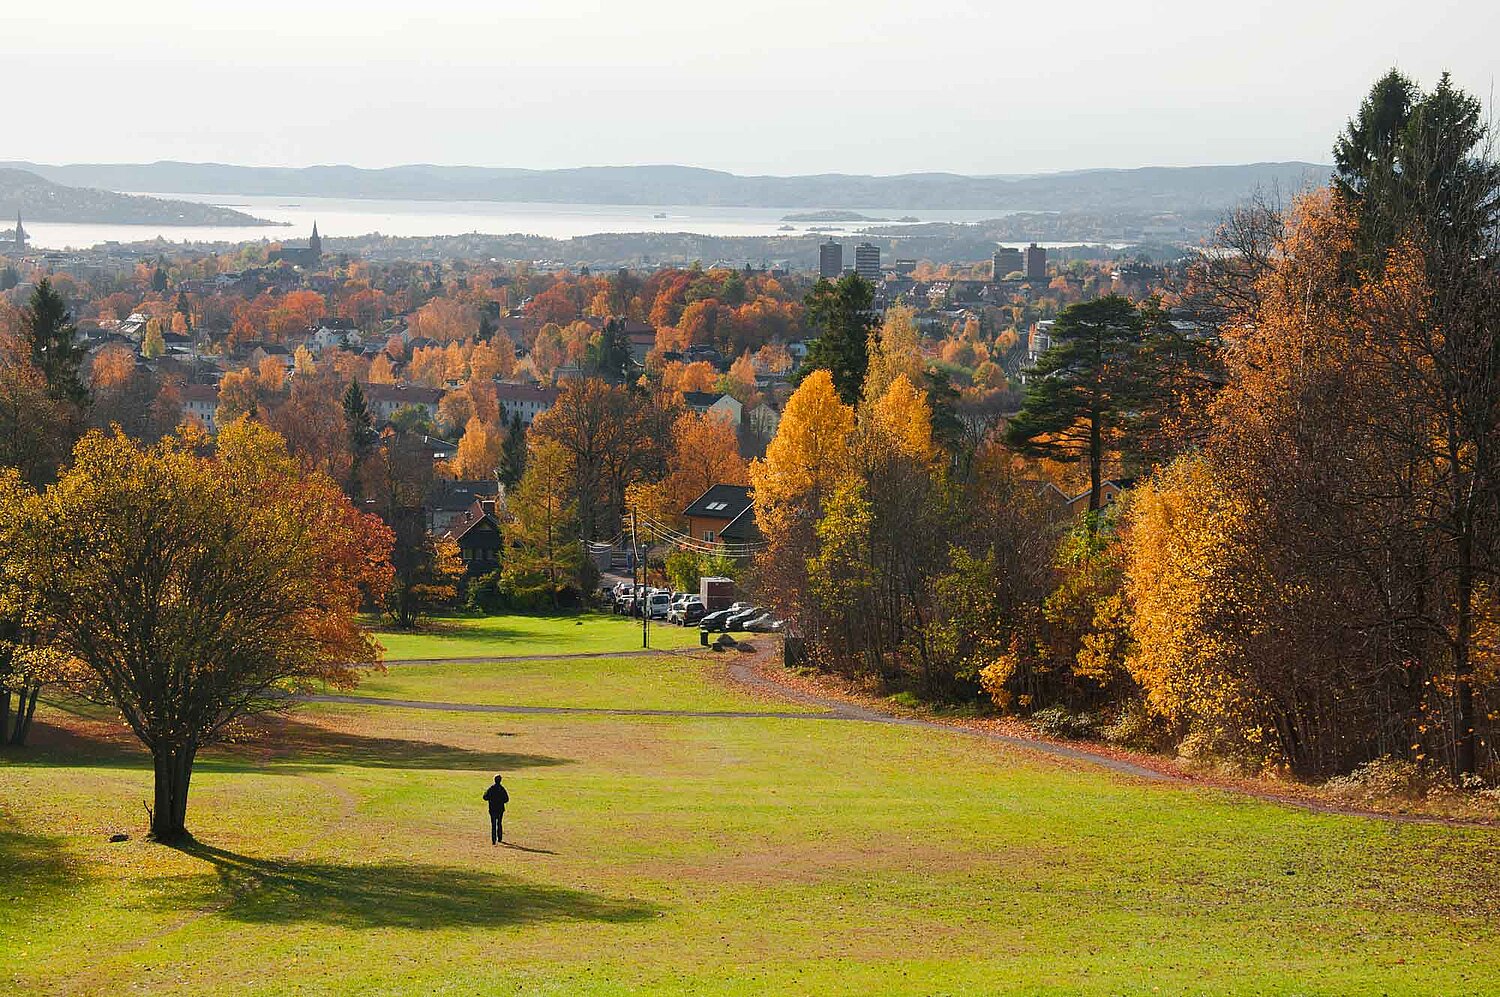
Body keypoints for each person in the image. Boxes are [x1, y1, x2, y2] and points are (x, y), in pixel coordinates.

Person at [482, 774, 509, 845]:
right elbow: (506, 799)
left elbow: (485, 797)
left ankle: (493, 840)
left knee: (493, 824)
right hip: (500, 809)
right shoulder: (502, 789)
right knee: (499, 823)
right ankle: (500, 838)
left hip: (492, 808)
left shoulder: (491, 788)